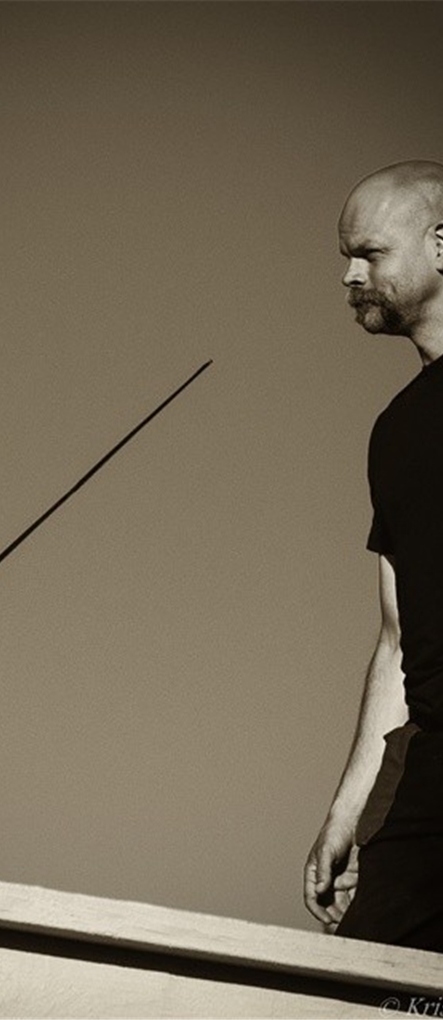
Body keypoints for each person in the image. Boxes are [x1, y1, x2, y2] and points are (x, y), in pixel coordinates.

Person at [304, 161, 443, 952]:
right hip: (433, 774)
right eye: (346, 257)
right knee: (369, 984)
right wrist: (346, 811)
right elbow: (397, 640)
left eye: (369, 253)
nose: (350, 276)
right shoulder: (395, 433)